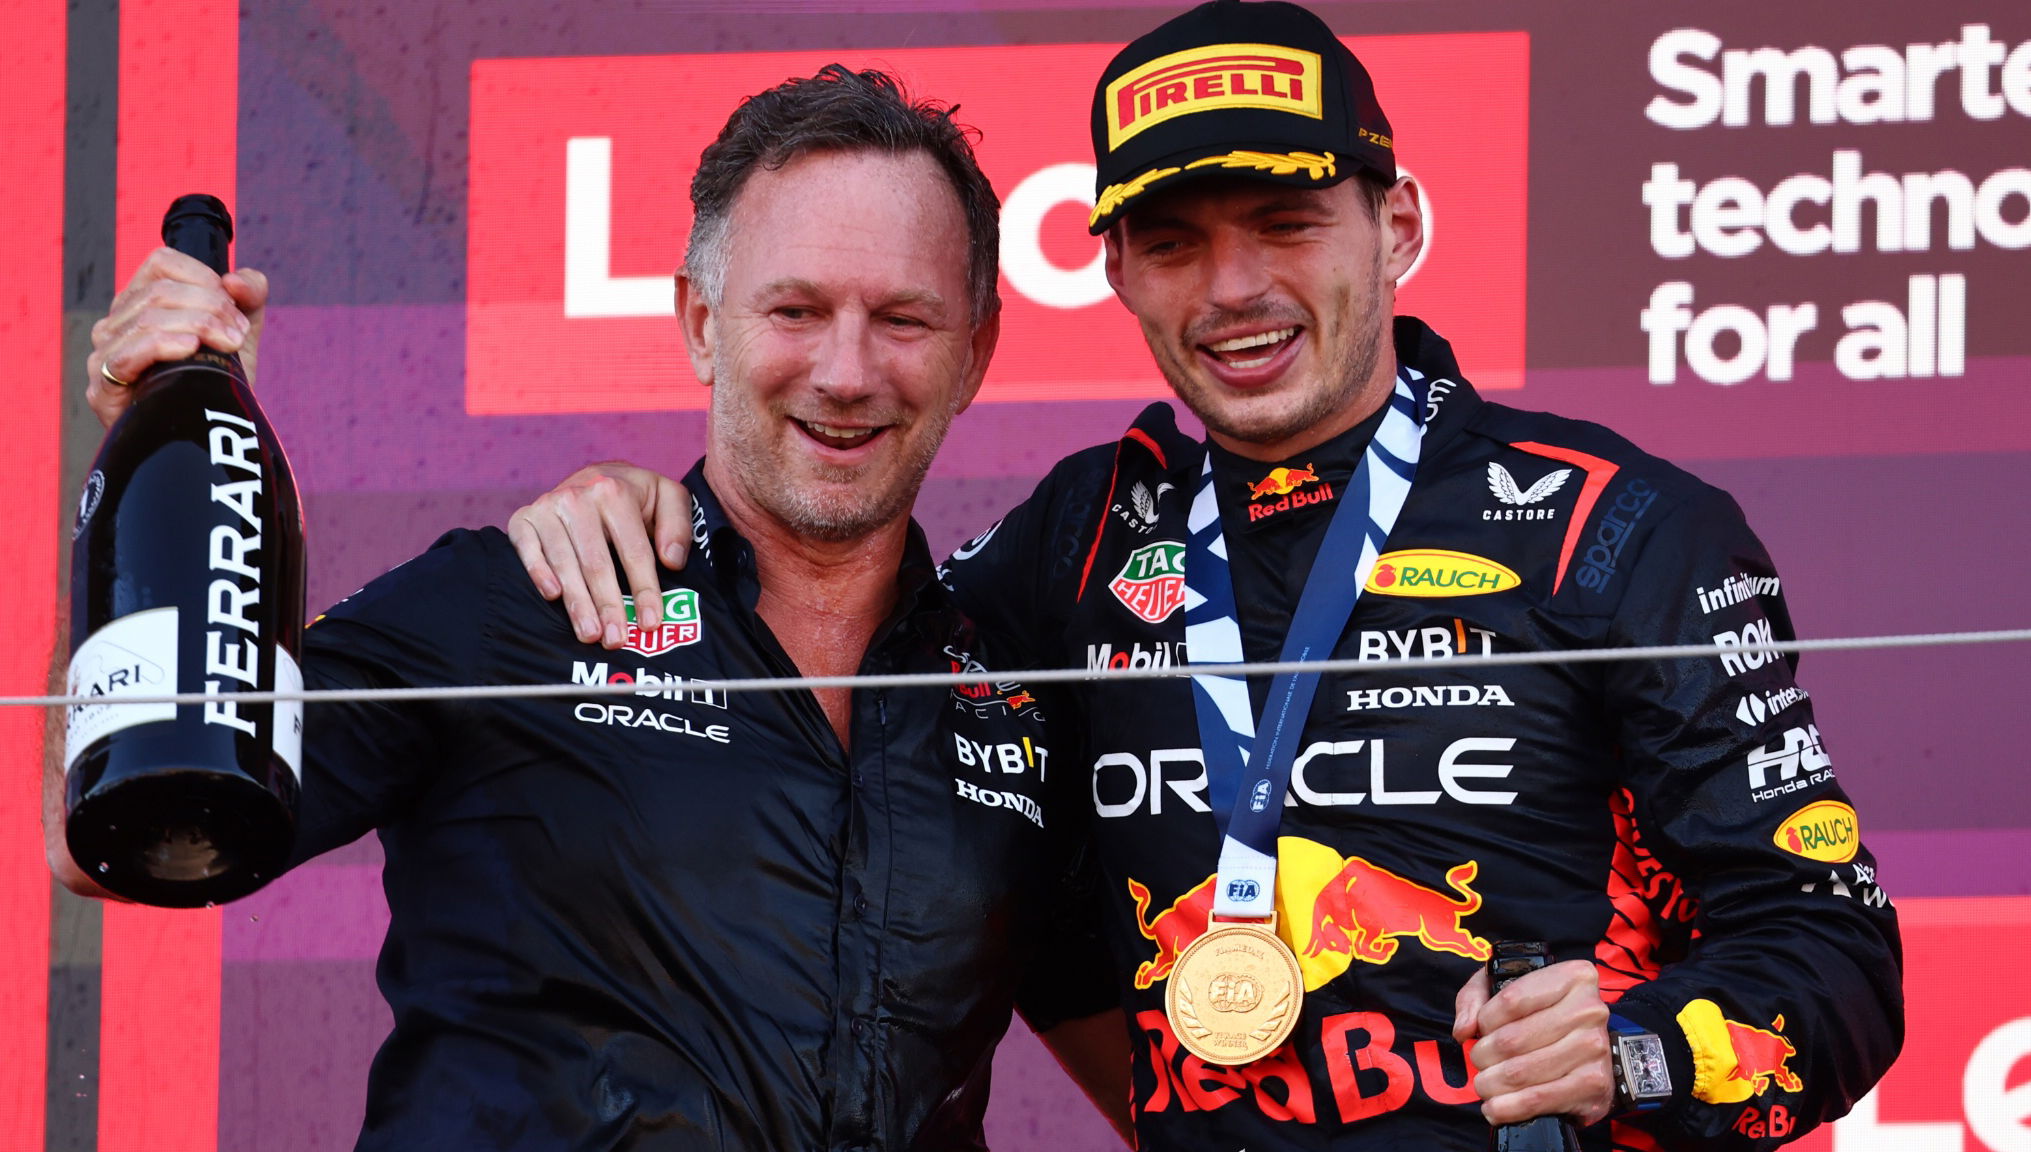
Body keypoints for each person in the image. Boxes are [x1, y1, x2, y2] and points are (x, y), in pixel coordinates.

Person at [512, 5, 1906, 1149]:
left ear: (1399, 224)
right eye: (1175, 242)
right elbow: (843, 697)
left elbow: (1836, 953)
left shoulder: (1618, 528)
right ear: (1113, 266)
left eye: (1286, 222)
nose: (1230, 287)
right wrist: (653, 516)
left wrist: (1638, 1053)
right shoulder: (1084, 538)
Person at [49, 66, 1133, 1151]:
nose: (845, 371)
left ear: (975, 352)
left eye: (902, 318)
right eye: (794, 310)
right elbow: (89, 835)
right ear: (701, 323)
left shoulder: (1010, 702)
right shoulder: (513, 602)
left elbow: (1168, 1089)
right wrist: (144, 454)